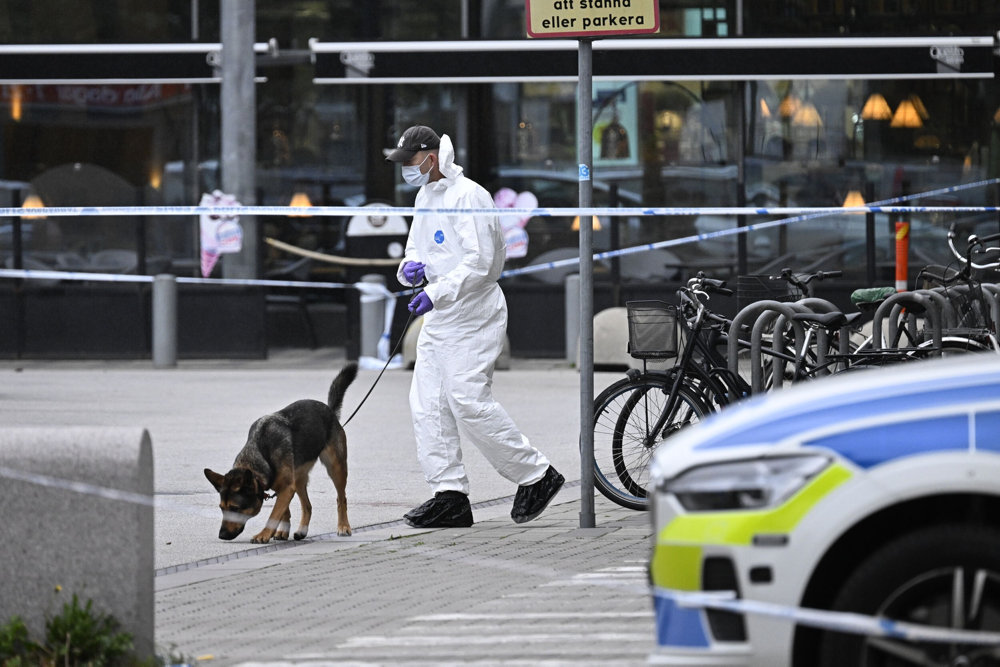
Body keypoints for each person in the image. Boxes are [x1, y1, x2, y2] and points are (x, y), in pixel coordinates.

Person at [385, 125, 564, 528]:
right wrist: (409, 271)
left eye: (409, 163)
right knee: (427, 404)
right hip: (443, 314)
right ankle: (448, 495)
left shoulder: (470, 196)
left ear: (430, 158)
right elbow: (417, 248)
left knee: (467, 400)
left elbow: (481, 263)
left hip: (475, 312)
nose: (405, 171)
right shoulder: (425, 195)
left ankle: (536, 475)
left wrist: (438, 291)